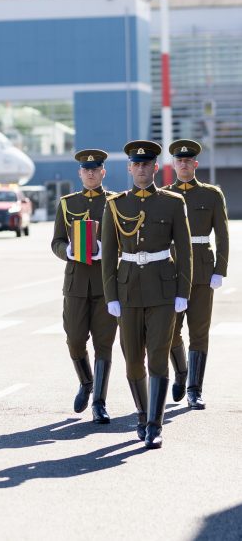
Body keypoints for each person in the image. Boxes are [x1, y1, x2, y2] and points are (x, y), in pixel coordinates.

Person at [101, 140, 192, 449]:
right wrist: (110, 295)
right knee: (132, 363)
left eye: (146, 164)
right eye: (136, 165)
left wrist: (183, 290)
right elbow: (110, 254)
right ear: (129, 168)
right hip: (127, 292)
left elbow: (185, 250)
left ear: (156, 167)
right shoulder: (115, 205)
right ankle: (142, 414)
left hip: (163, 290)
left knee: (156, 357)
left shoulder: (172, 202)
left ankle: (154, 424)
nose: (141, 169)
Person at [49, 150, 118, 423]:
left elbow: (125, 239)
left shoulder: (114, 202)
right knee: (75, 339)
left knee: (104, 344)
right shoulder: (67, 203)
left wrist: (107, 250)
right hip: (76, 283)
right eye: (85, 169)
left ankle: (99, 402)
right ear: (80, 173)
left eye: (95, 168)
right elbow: (55, 241)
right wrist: (69, 251)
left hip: (106, 284)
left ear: (103, 172)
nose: (90, 172)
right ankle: (86, 382)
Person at [163, 139, 229, 409]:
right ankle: (181, 373)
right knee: (169, 331)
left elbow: (223, 235)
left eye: (188, 161)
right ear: (174, 165)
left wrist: (220, 270)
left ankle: (194, 389)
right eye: (179, 161)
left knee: (199, 332)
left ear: (195, 164)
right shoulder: (165, 195)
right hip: (173, 271)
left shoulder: (211, 194)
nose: (184, 164)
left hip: (202, 269)